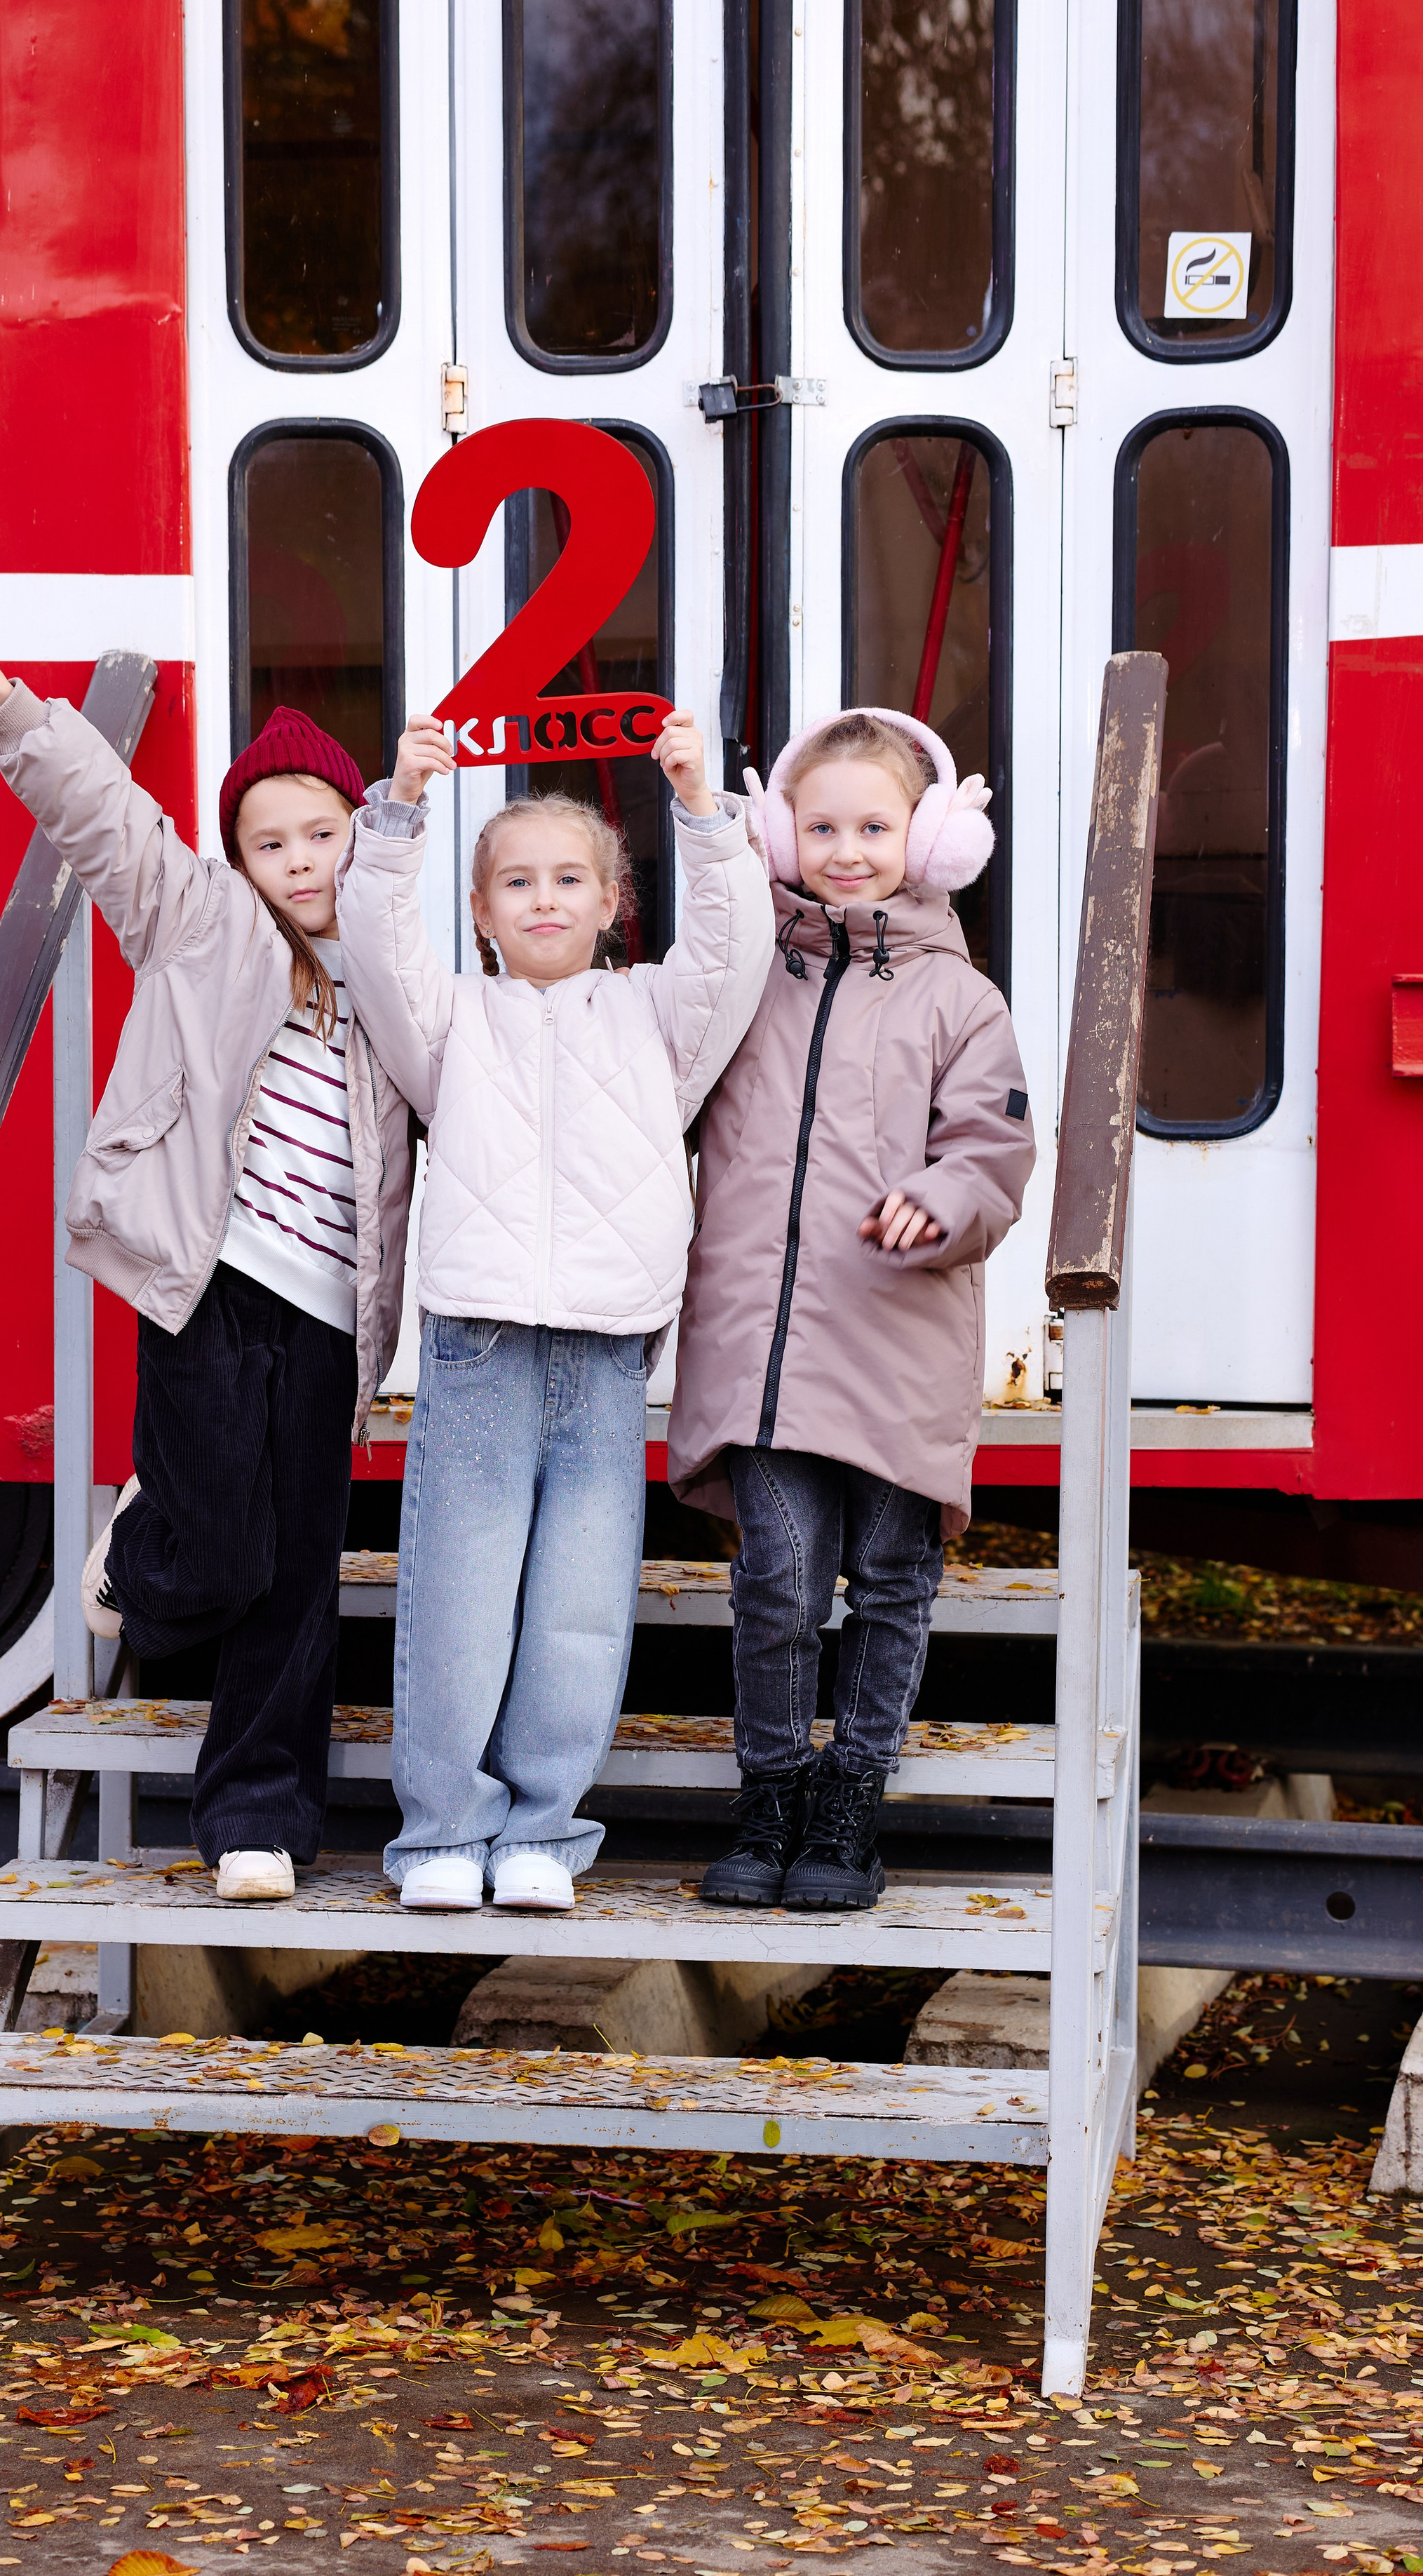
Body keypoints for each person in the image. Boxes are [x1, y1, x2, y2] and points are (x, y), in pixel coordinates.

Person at [0, 575, 413, 1905]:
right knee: (226, 1555)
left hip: (331, 1309)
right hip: (207, 1281)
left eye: (325, 834)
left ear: (364, 837)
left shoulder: (405, 968)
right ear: (239, 860)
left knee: (301, 1570)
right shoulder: (202, 927)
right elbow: (104, 818)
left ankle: (259, 1820)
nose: (304, 862)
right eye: (273, 843)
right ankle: (147, 1550)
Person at [335, 709, 776, 1913]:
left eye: (569, 879)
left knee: (581, 1598)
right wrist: (399, 816)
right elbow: (375, 945)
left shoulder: (654, 1016)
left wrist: (699, 807)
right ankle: (439, 1835)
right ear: (480, 913)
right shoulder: (450, 1023)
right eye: (516, 882)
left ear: (611, 900)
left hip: (607, 1335)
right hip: (478, 1331)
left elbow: (737, 946)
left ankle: (540, 1833)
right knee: (460, 1586)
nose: (543, 899)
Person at [668, 707, 1036, 1913]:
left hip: (899, 1341)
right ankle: (769, 1798)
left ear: (929, 840)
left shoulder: (961, 1002)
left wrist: (942, 1197)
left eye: (876, 825)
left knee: (888, 1578)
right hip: (760, 1348)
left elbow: (993, 1151)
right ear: (776, 832)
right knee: (775, 1575)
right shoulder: (738, 975)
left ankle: (850, 1807)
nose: (846, 848)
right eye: (819, 824)